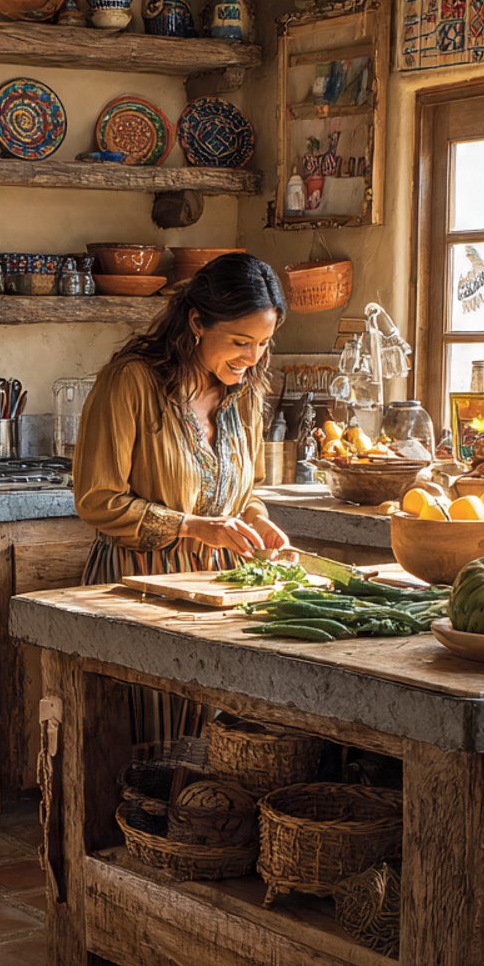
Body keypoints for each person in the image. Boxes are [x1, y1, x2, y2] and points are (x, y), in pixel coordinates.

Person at [73, 251, 291, 740]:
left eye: (262, 343)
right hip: (139, 590)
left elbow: (243, 488)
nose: (251, 358)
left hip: (221, 594)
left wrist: (255, 518)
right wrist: (191, 526)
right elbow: (97, 500)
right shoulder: (130, 382)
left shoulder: (247, 392)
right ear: (196, 322)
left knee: (217, 747)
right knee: (151, 745)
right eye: (239, 341)